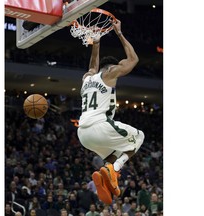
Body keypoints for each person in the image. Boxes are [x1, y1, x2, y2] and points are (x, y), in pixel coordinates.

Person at [77, 19, 145, 205]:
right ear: (112, 67)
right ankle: (114, 170)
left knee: (114, 154)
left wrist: (96, 44)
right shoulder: (110, 73)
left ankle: (109, 177)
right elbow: (133, 60)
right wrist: (119, 33)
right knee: (139, 137)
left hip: (83, 134)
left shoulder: (87, 78)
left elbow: (92, 65)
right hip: (100, 126)